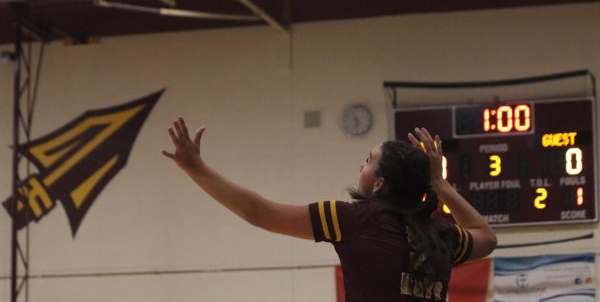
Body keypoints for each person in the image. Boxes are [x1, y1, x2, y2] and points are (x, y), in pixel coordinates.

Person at [162, 117, 497, 302]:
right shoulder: (440, 234)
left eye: (367, 161)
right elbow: (487, 237)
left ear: (379, 183)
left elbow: (259, 213)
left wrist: (196, 169)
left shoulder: (356, 220)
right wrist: (439, 183)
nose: (360, 165)